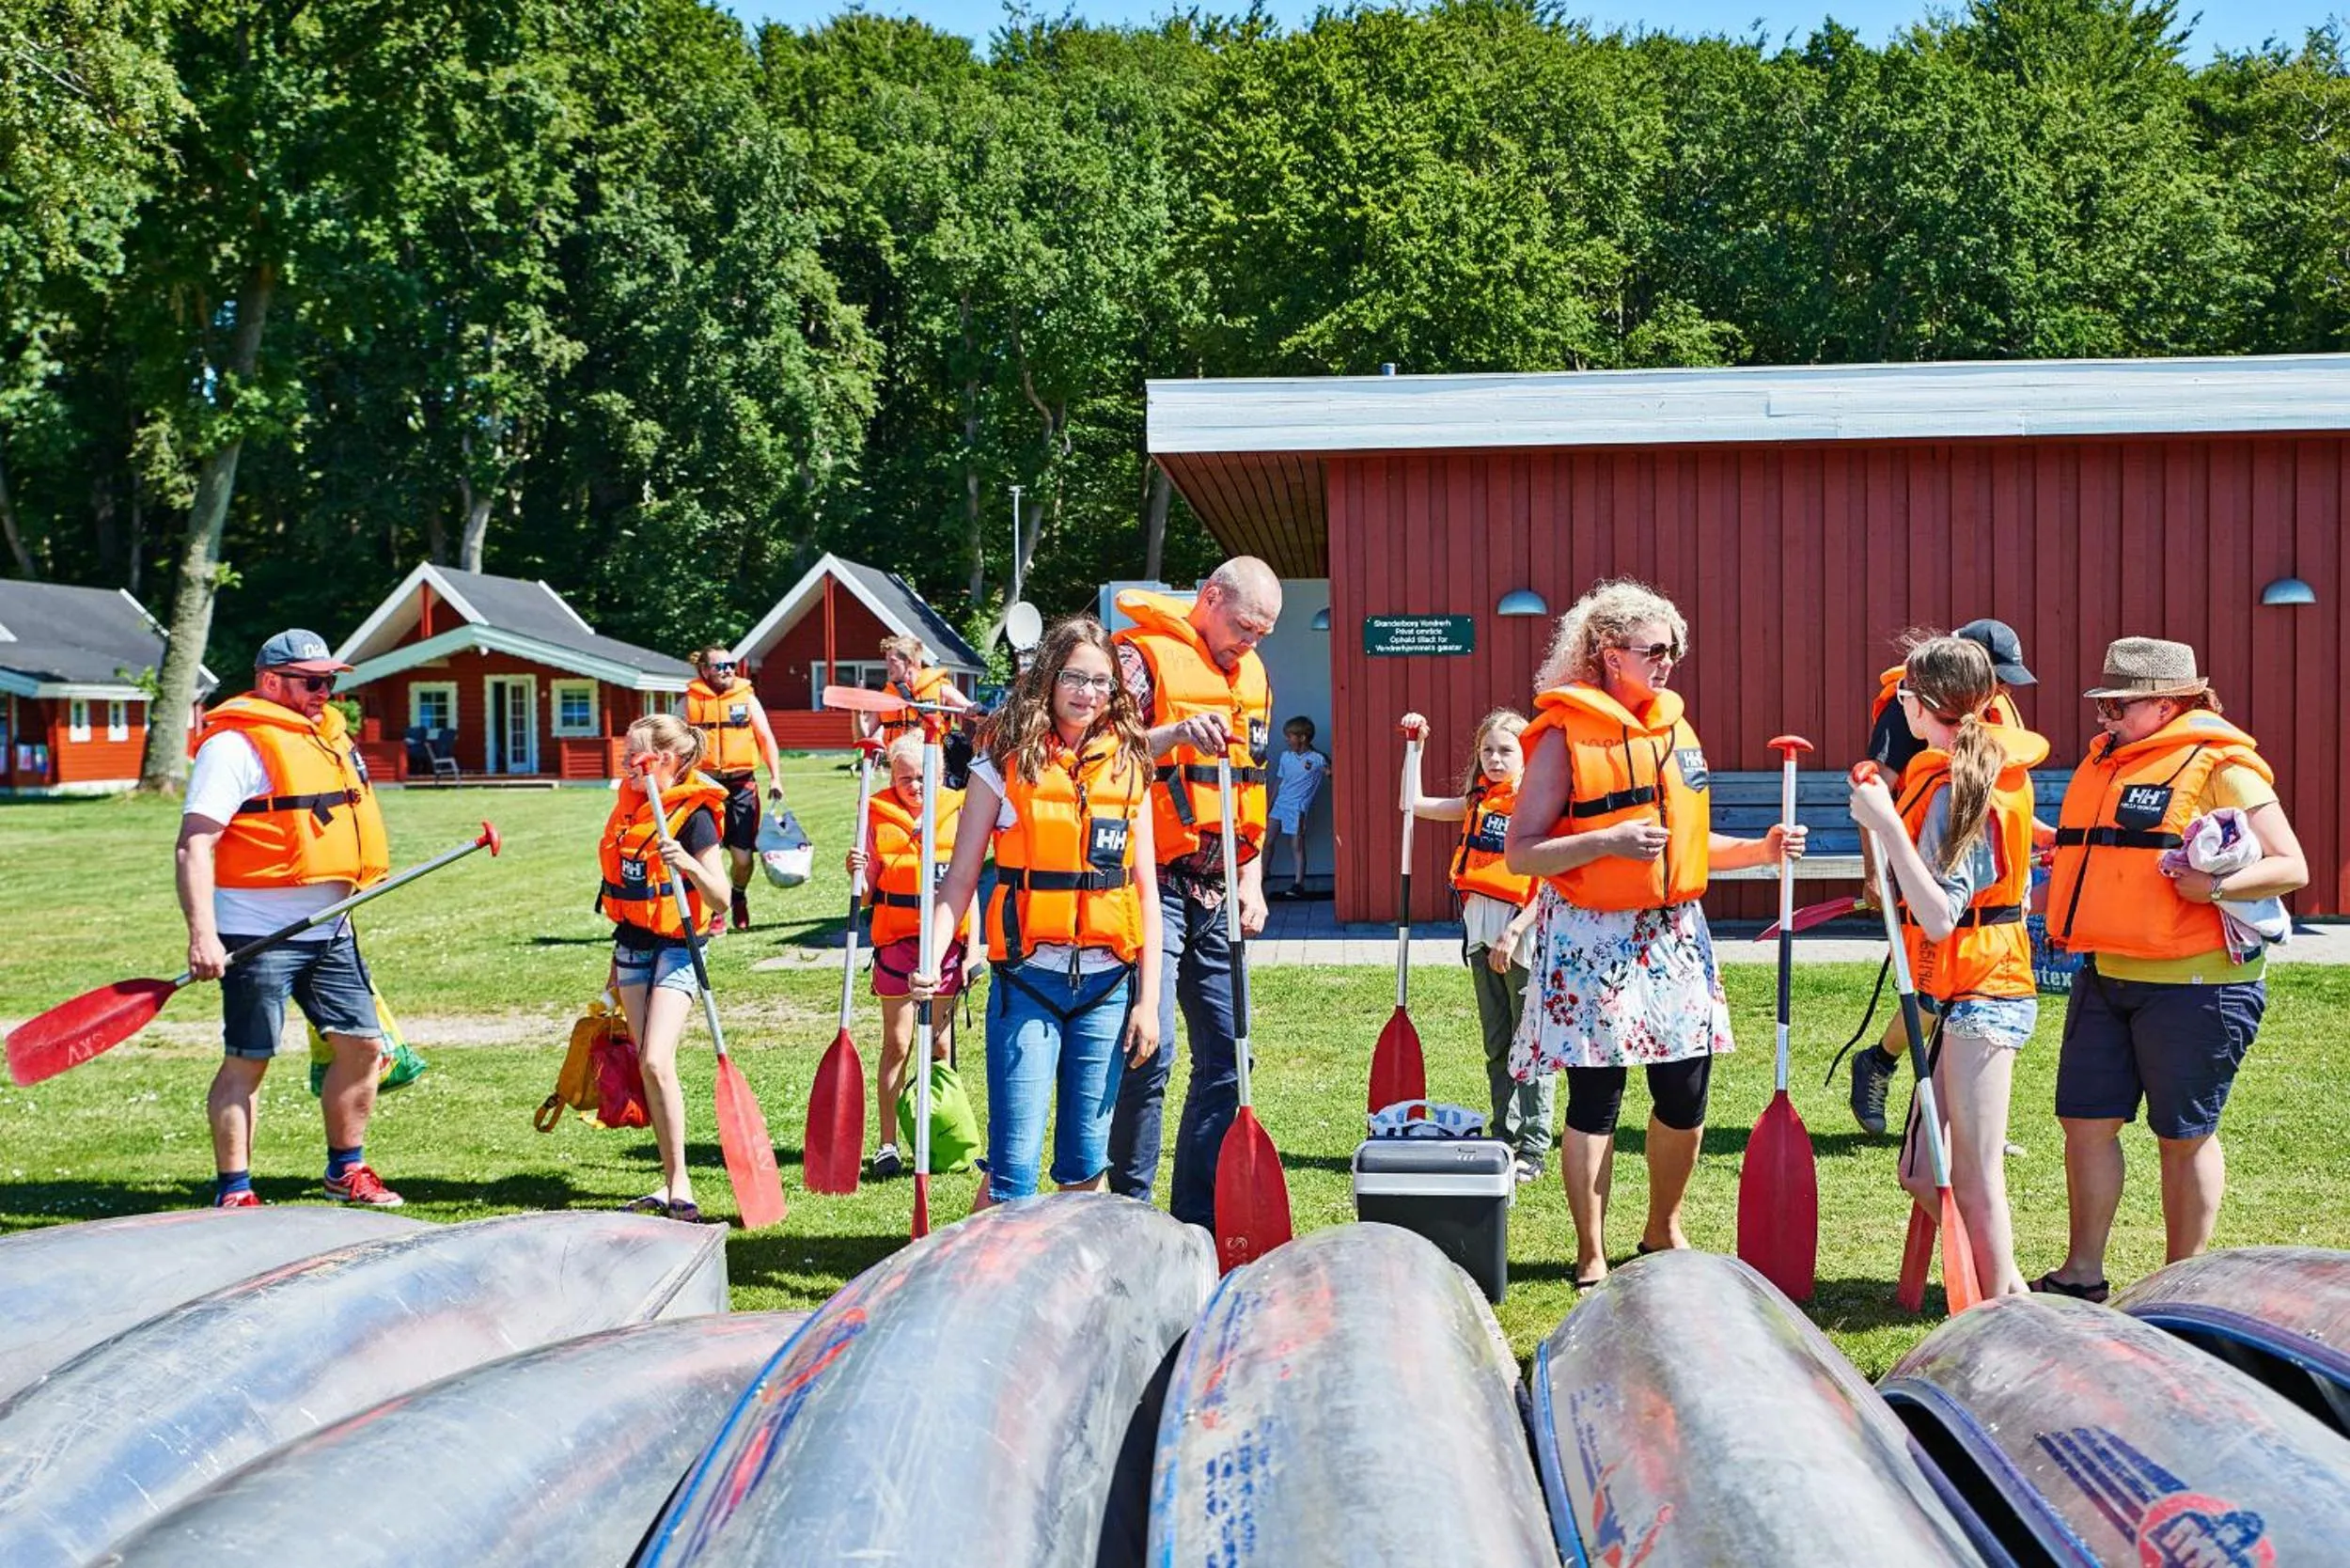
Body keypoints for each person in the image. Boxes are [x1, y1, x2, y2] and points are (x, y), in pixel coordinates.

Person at [1501, 579, 1805, 1289]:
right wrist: (1607, 839)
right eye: (1654, 650)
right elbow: (1522, 852)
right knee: (1596, 1098)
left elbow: (1686, 845)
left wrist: (1758, 850)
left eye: (1674, 650)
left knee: (1684, 1091)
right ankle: (1590, 1248)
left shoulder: (1675, 730)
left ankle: (1663, 1223)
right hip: (1591, 937)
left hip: (1672, 938)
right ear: (1609, 654)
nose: (1668, 662)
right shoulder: (1559, 736)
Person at [2034, 637, 2307, 1301]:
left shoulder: (2223, 766)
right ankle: (2081, 1276)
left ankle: (2178, 1287)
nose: (2106, 720)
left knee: (2182, 1136)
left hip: (2200, 986)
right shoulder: (2110, 764)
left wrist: (2212, 889)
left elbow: (2289, 865)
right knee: (2086, 1124)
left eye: (2120, 706)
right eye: (2104, 706)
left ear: (2168, 703)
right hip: (2106, 975)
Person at [918, 616, 1161, 1206]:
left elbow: (1146, 894)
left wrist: (1148, 1003)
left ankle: (1075, 1292)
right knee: (1014, 1169)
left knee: (1084, 1161)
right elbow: (959, 881)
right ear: (1049, 679)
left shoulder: (1131, 768)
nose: (1088, 694)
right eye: (1076, 678)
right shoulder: (1000, 765)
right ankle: (983, 1285)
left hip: (1107, 987)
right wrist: (933, 956)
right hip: (1028, 981)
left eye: (1102, 682)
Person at [1846, 636, 2049, 1297]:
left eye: (1902, 694)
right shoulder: (1949, 771)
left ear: (1923, 702)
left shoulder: (1961, 785)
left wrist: (1887, 825)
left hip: (1987, 992)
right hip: (1955, 989)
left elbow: (1938, 914)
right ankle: (1996, 1288)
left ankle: (2007, 1302)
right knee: (1919, 1168)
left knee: (1973, 1174)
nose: (1896, 703)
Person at [178, 630, 400, 1208]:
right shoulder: (234, 747)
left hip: (332, 927)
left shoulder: (327, 739)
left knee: (363, 1047)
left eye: (330, 680)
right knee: (249, 1059)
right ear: (270, 680)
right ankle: (235, 1190)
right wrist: (203, 935)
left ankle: (345, 1170)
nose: (326, 692)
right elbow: (194, 845)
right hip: (257, 934)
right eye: (313, 681)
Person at [1106, 557, 1282, 1226]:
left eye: (1263, 633)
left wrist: (1252, 876)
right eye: (1244, 627)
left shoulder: (1253, 676)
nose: (1251, 642)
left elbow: (1252, 784)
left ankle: (1196, 1220)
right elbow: (1099, 754)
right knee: (1151, 1054)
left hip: (1220, 889)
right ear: (1209, 598)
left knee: (1231, 1055)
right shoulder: (1137, 660)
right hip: (1154, 883)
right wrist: (1176, 733)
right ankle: (1130, 1213)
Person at [1848, 617, 2040, 1135]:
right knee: (1931, 995)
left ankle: (1970, 1124)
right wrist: (1876, 876)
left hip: (1973, 905)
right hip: (1925, 874)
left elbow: (1991, 801)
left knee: (1949, 1003)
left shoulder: (1989, 716)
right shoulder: (1907, 709)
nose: (1999, 689)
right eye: (1994, 676)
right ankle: (1891, 1071)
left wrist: (2033, 847)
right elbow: (1876, 791)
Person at [1401, 708, 1551, 1183]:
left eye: (1506, 750)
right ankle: (1503, 1133)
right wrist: (1417, 746)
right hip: (1481, 933)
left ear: (1526, 756)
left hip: (1519, 935)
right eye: (1487, 749)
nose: (1495, 758)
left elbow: (1549, 883)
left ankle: (1534, 1144)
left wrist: (1515, 931)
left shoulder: (1538, 803)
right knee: (1497, 1042)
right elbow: (1413, 803)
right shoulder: (1477, 801)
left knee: (1528, 1044)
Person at [595, 713, 733, 1223]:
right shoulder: (628, 812)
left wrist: (691, 865)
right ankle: (670, 1174)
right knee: (646, 1065)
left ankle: (682, 1184)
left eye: (636, 755)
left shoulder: (695, 817)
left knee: (656, 1059)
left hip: (679, 946)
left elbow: (720, 900)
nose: (627, 764)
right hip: (631, 946)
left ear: (667, 760)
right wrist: (611, 971)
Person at [846, 731, 969, 1179]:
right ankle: (887, 1142)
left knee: (938, 1044)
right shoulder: (877, 818)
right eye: (904, 780)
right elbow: (864, 898)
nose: (915, 787)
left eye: (922, 778)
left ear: (937, 776)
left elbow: (969, 883)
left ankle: (936, 1130)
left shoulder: (957, 814)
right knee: (898, 1043)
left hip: (944, 945)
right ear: (891, 779)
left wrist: (973, 950)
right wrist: (858, 874)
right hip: (896, 945)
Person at [682, 647, 785, 936]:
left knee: (742, 859)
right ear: (705, 670)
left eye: (731, 665)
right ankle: (716, 911)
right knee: (706, 854)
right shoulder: (688, 702)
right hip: (705, 787)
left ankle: (738, 894)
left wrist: (776, 778)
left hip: (741, 785)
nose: (727, 670)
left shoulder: (747, 698)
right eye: (720, 666)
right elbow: (674, 743)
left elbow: (766, 739)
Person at [864, 635, 974, 745]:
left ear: (909, 661)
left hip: (932, 759)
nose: (887, 666)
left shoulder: (941, 689)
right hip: (896, 759)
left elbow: (972, 709)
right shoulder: (886, 697)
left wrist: (973, 710)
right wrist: (856, 713)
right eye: (887, 661)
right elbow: (864, 734)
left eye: (893, 661)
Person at [1264, 715, 1328, 898]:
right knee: (1267, 842)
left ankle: (1298, 884)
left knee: (1296, 845)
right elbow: (1279, 781)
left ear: (1302, 737)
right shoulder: (1286, 756)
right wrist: (1269, 805)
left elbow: (1331, 773)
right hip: (1279, 805)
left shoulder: (1317, 759)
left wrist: (1330, 772)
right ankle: (1263, 874)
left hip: (1297, 808)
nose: (1287, 739)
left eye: (1290, 735)